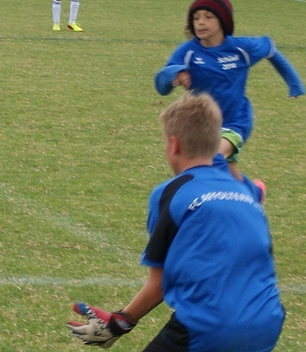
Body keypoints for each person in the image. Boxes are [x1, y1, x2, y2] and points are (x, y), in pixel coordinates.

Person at [68, 91, 285, 351]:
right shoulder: (242, 190)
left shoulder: (170, 193)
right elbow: (255, 189)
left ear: (174, 145)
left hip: (209, 326)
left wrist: (119, 323)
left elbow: (159, 283)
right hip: (267, 322)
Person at [155, 0, 303, 181]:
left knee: (212, 159)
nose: (200, 22)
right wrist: (174, 73)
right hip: (202, 126)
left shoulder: (241, 48)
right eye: (196, 18)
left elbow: (270, 49)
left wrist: (294, 84)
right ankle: (252, 195)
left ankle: (221, 200)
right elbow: (161, 86)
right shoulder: (188, 52)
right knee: (228, 171)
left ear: (223, 21)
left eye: (208, 17)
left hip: (236, 121)